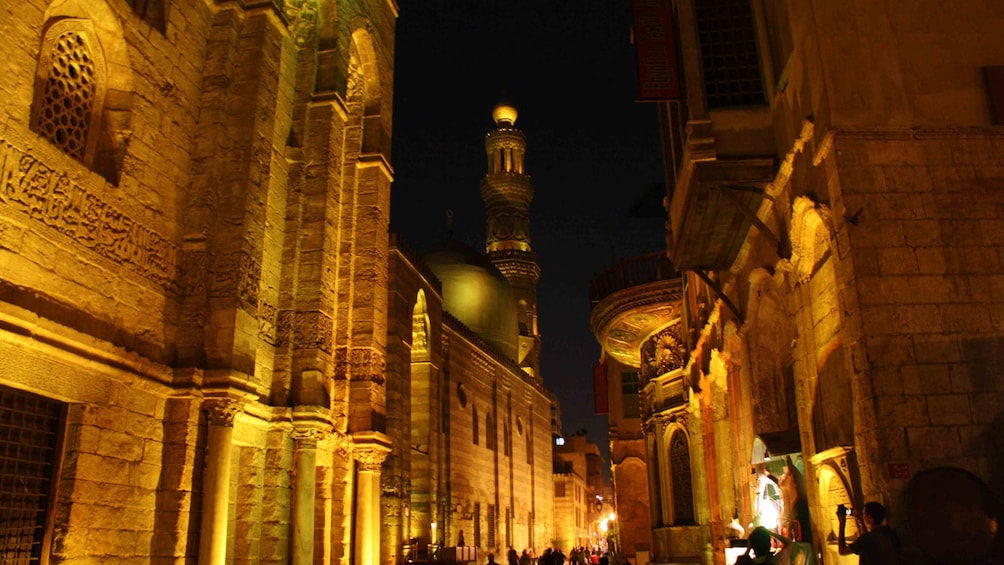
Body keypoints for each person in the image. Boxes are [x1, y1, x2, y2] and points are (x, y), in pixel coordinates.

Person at [838, 501, 902, 565]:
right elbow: (866, 540)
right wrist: (860, 521)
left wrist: (842, 523)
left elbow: (842, 550)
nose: (863, 516)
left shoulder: (868, 538)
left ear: (870, 517)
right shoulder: (889, 533)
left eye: (864, 514)